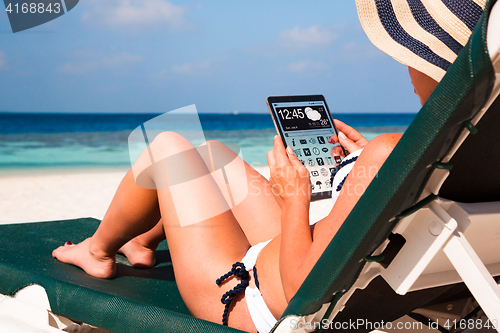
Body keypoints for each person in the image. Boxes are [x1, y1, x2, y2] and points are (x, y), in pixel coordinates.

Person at [52, 0, 487, 332]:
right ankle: (142, 241)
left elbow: (303, 292)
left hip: (247, 297)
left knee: (165, 145)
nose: (404, 68)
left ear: (435, 65)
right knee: (212, 155)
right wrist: (358, 170)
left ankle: (96, 251)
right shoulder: (464, 151)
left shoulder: (392, 154)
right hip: (294, 261)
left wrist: (294, 194)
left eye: (408, 56)